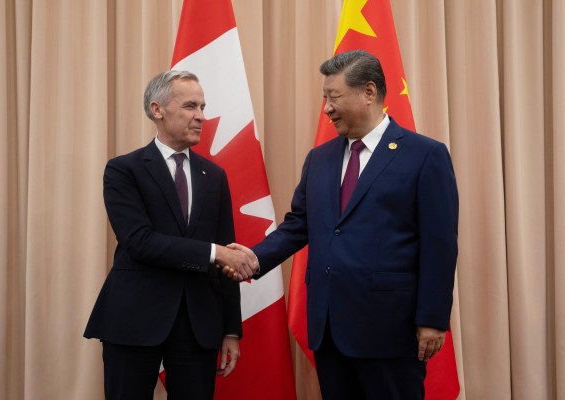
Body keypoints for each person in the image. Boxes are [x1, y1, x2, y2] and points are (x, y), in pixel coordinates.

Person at [225, 50, 459, 399]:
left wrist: (433, 319)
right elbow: (298, 224)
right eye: (324, 98)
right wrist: (255, 259)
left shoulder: (424, 155)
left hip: (390, 329)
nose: (326, 109)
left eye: (333, 97)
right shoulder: (319, 159)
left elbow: (439, 244)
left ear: (368, 92)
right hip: (329, 328)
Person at [84, 70, 254, 400]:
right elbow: (139, 241)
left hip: (198, 323)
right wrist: (214, 253)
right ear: (157, 109)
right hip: (134, 318)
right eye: (191, 106)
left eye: (203, 107)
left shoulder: (214, 176)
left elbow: (228, 254)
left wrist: (232, 329)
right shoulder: (124, 170)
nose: (202, 117)